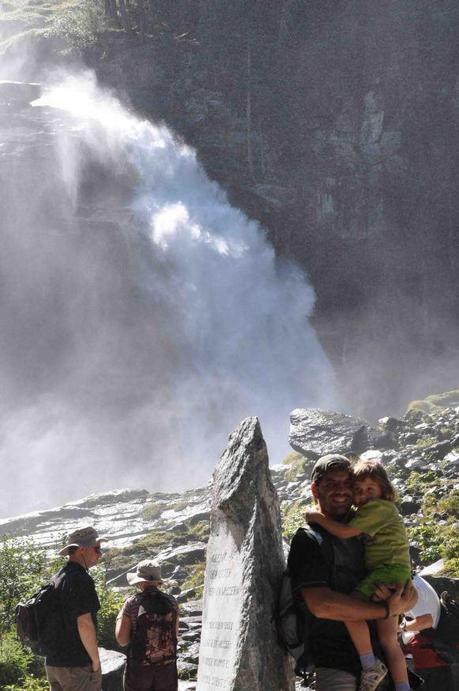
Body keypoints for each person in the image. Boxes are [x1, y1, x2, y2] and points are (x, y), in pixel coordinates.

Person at [288, 454, 418, 691]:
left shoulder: (367, 531)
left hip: (383, 665)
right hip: (338, 665)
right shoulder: (308, 540)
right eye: (330, 484)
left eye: (347, 484)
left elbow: (404, 583)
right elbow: (322, 605)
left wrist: (406, 599)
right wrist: (387, 609)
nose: (341, 490)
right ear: (315, 490)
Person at [45, 526, 108, 691]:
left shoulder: (57, 577)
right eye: (97, 548)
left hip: (53, 663)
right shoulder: (81, 579)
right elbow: (84, 623)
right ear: (81, 550)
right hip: (76, 666)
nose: (100, 554)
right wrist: (95, 660)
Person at [115, 559, 179, 691]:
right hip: (167, 669)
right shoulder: (172, 602)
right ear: (158, 580)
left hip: (140, 670)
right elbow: (175, 634)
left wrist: (120, 616)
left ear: (140, 581)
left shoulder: (132, 603)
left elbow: (121, 640)